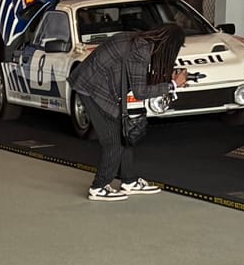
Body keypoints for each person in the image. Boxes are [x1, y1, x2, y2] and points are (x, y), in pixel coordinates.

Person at [68, 25, 188, 200]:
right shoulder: (141, 51)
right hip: (92, 89)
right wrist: (173, 85)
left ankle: (129, 181)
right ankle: (99, 187)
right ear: (170, 46)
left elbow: (134, 77)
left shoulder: (137, 40)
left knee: (124, 135)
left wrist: (167, 81)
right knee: (113, 141)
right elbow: (140, 92)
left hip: (94, 84)